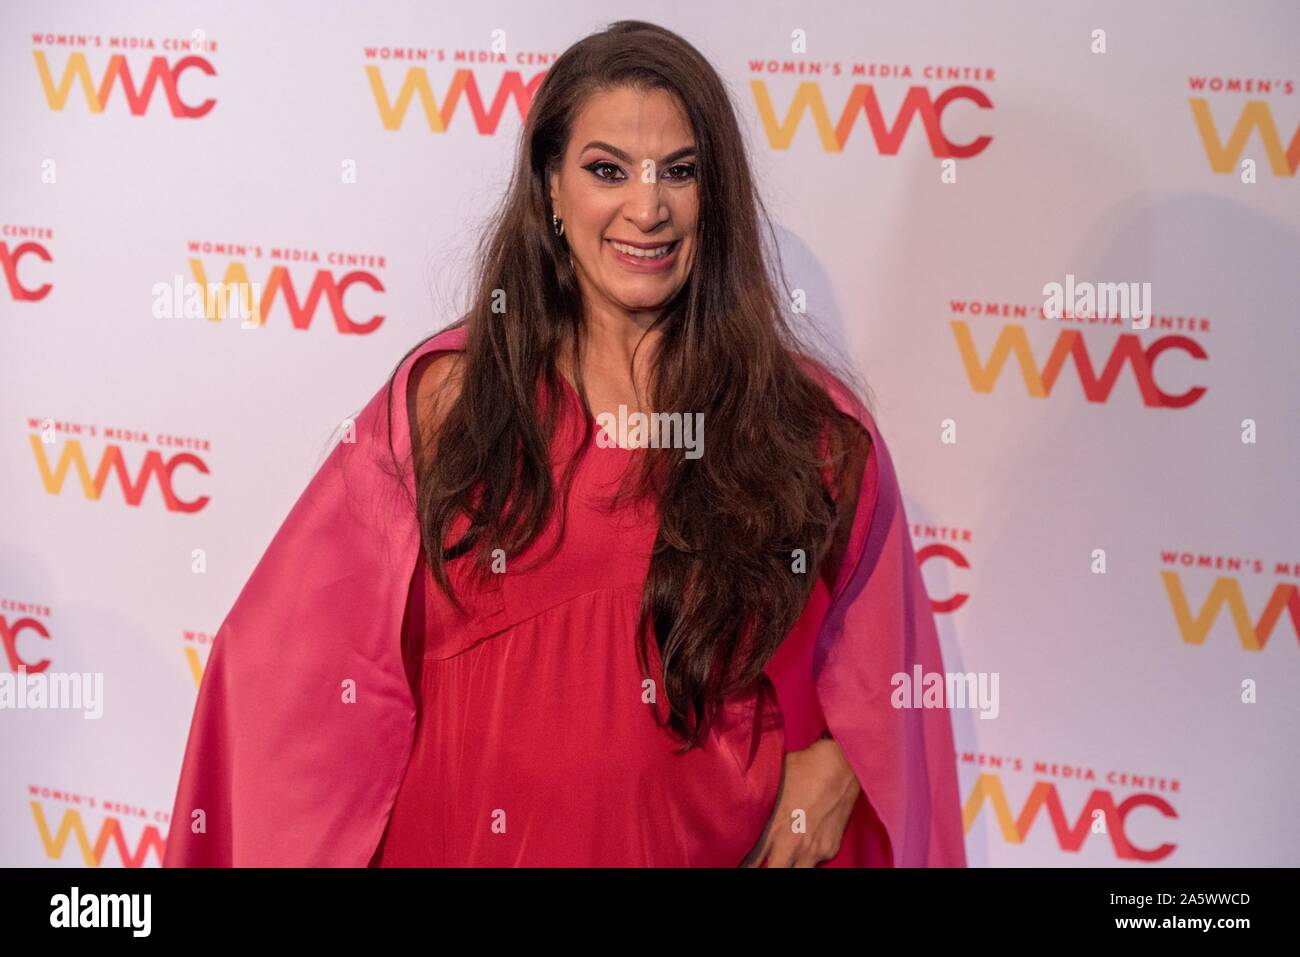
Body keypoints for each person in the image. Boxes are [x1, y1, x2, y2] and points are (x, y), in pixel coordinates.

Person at [163, 20, 966, 868]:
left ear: (715, 195)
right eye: (607, 169)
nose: (647, 206)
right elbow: (283, 662)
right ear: (551, 188)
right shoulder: (450, 403)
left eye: (681, 173)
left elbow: (888, 681)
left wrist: (842, 762)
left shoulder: (808, 429)